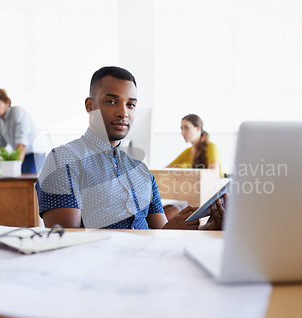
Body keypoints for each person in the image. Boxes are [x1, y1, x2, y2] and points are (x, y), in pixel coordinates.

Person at [36, 66, 225, 230]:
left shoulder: (141, 170)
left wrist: (207, 228)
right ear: (89, 105)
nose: (123, 113)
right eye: (111, 101)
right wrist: (164, 234)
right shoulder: (62, 160)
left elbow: (162, 231)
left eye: (131, 105)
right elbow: (66, 240)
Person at [0, 88, 46, 174]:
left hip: (34, 153)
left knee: (26, 180)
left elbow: (21, 144)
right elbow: (1, 143)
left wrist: (15, 168)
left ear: (7, 103)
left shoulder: (18, 112)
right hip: (21, 154)